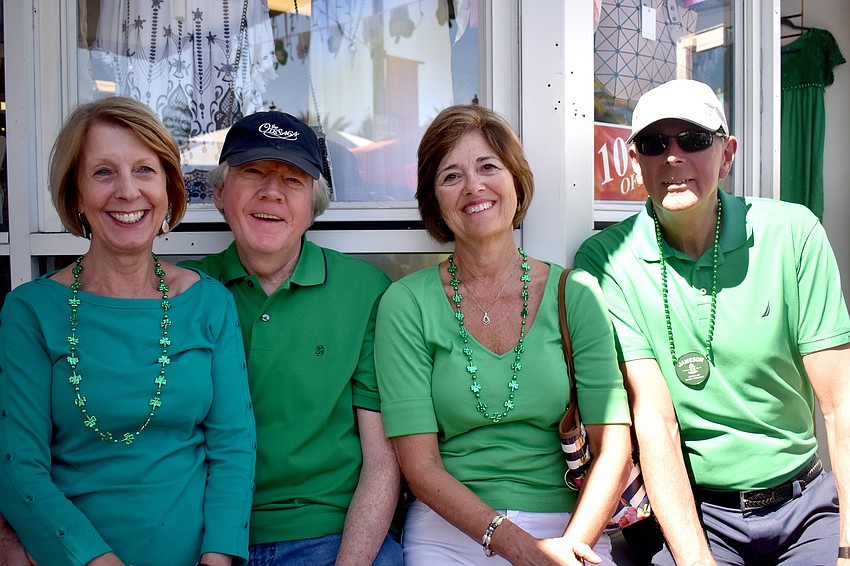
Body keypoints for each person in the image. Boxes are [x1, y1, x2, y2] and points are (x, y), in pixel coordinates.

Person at [575, 79, 850, 565]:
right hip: (697, 515)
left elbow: (840, 406)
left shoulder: (794, 233)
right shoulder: (607, 260)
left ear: (727, 154)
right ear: (636, 160)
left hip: (806, 508)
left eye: (695, 140)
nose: (674, 157)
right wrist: (695, 559)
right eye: (656, 144)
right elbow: (654, 420)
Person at [0, 96, 256, 565]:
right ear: (75, 193)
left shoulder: (208, 302)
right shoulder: (30, 311)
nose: (127, 191)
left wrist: (218, 558)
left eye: (144, 170)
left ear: (168, 189)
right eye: (103, 172)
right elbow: (19, 468)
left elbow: (234, 447)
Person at [374, 104, 633, 565]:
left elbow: (613, 444)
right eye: (451, 176)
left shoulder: (575, 294)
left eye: (488, 167)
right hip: (450, 529)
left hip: (571, 524)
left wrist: (571, 549)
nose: (474, 186)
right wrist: (515, 546)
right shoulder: (406, 304)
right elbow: (420, 467)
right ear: (434, 202)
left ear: (516, 181)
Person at [180, 110, 403, 565]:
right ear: (220, 193)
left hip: (332, 534)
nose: (272, 193)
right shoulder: (186, 295)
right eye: (253, 173)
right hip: (203, 536)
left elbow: (383, 461)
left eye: (294, 180)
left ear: (314, 204)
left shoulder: (365, 292)